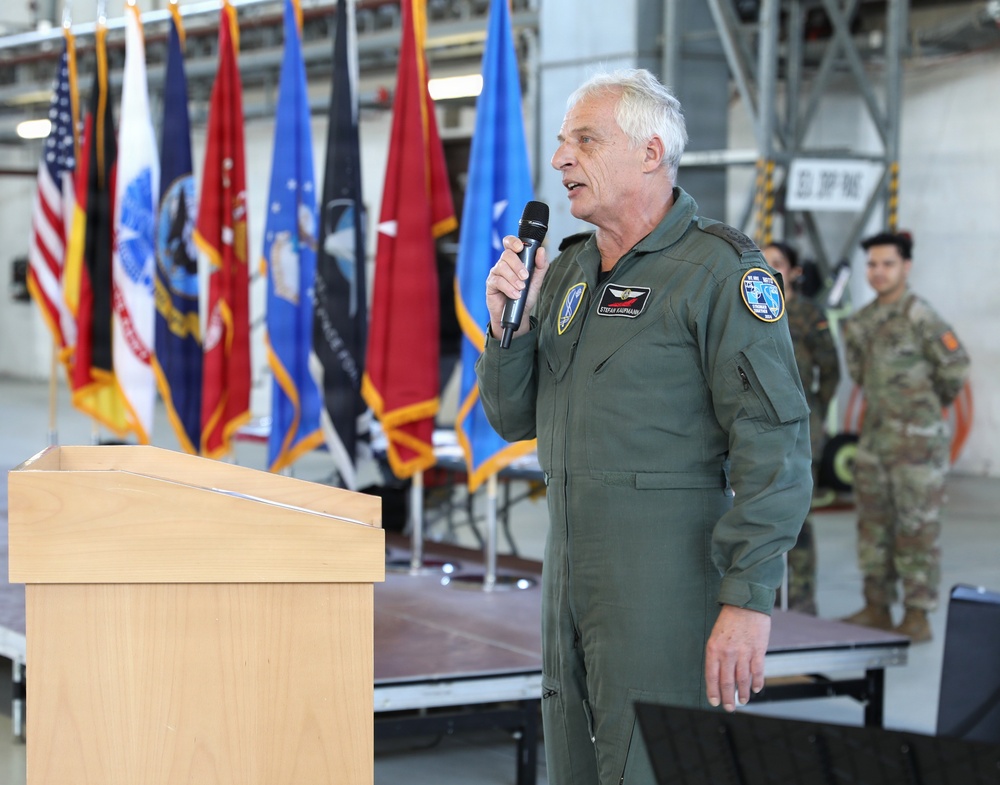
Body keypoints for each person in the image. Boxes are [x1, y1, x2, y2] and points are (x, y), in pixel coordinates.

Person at [476, 69, 812, 785]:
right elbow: (511, 419)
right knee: (572, 754)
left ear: (651, 153)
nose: (562, 158)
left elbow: (773, 443)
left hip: (664, 566)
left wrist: (747, 598)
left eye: (585, 140)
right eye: (563, 141)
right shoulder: (565, 271)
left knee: (650, 761)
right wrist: (512, 324)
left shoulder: (720, 272)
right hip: (567, 558)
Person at [840, 231, 970, 643]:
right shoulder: (860, 323)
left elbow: (955, 369)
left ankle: (917, 614)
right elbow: (859, 376)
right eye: (873, 265)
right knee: (873, 528)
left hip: (918, 448)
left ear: (906, 267)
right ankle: (877, 606)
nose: (879, 272)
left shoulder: (922, 317)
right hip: (875, 444)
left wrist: (924, 411)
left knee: (918, 530)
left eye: (888, 264)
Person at [763, 241, 841, 614]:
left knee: (798, 519)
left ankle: (804, 601)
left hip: (799, 430)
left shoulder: (809, 315)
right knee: (760, 517)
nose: (768, 267)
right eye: (762, 261)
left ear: (794, 271)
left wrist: (817, 415)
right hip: (757, 427)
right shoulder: (750, 306)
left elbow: (830, 371)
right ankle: (767, 599)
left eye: (776, 263)